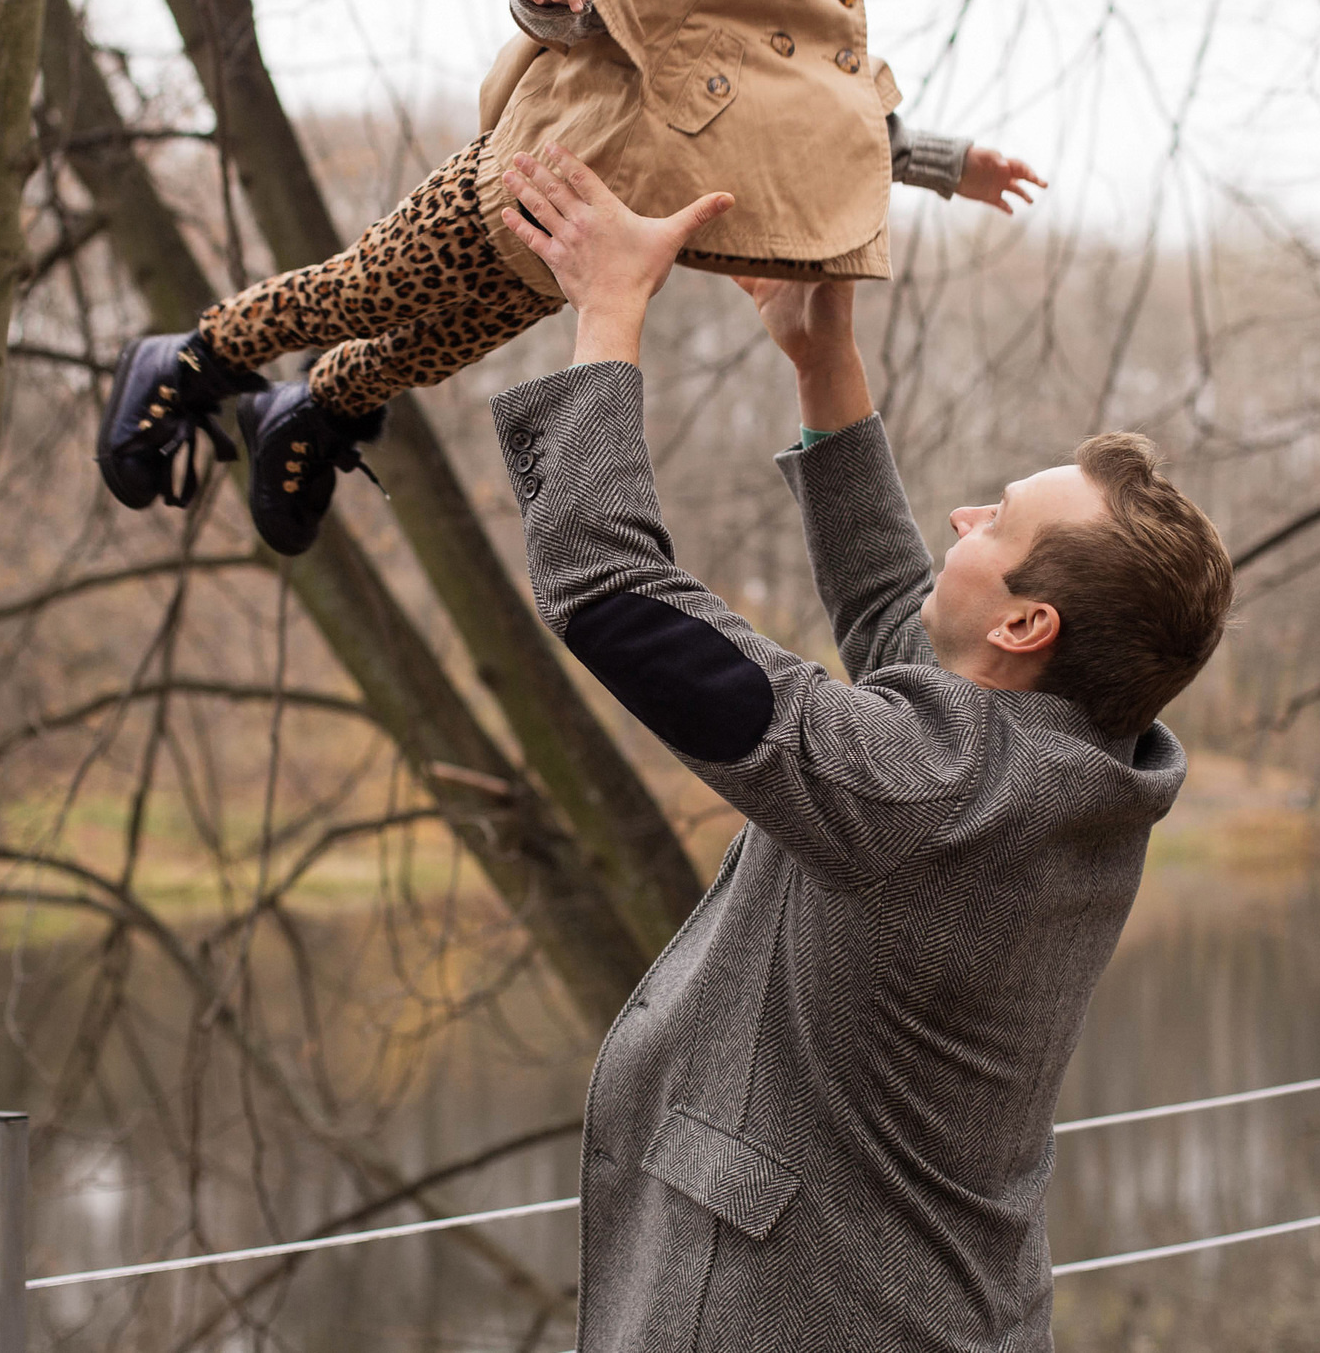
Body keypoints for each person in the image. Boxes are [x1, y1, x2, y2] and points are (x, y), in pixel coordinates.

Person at [482, 144, 1234, 1353]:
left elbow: (614, 592)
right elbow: (907, 625)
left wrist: (609, 310)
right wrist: (822, 363)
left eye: (998, 520)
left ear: (1026, 621)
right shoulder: (1073, 764)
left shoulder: (924, 785)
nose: (963, 518)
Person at [96, 0, 1044, 554]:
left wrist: (951, 165)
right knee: (363, 293)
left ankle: (306, 412)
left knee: (428, 350)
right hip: (509, 192)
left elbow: (834, 128)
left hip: (579, 258)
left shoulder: (801, 18)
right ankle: (192, 359)